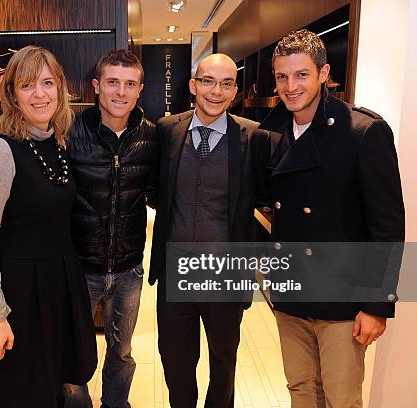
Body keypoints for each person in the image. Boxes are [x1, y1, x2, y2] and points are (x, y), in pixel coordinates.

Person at [259, 29, 404, 407]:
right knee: (301, 391)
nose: (291, 86)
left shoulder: (363, 132)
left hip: (342, 299)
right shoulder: (271, 132)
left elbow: (387, 227)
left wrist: (376, 306)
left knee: (341, 399)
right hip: (290, 295)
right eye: (282, 76)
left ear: (324, 74)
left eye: (301, 74)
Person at [0, 45, 97, 407]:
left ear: (60, 87)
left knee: (50, 387)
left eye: (47, 83)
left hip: (58, 285)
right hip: (20, 295)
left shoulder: (56, 142)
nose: (40, 94)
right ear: (11, 94)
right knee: (20, 393)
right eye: (27, 86)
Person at [149, 53, 264, 408]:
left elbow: (261, 202)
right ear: (193, 85)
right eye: (209, 81)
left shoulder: (253, 137)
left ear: (234, 91)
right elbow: (156, 191)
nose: (216, 91)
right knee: (176, 360)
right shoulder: (168, 130)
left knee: (224, 363)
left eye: (226, 83)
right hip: (176, 272)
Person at [62, 49, 158, 408]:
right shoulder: (69, 132)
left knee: (122, 352)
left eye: (129, 84)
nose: (121, 92)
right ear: (96, 86)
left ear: (140, 90)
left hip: (129, 268)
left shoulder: (153, 136)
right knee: (73, 353)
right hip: (78, 267)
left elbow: (159, 193)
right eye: (113, 82)